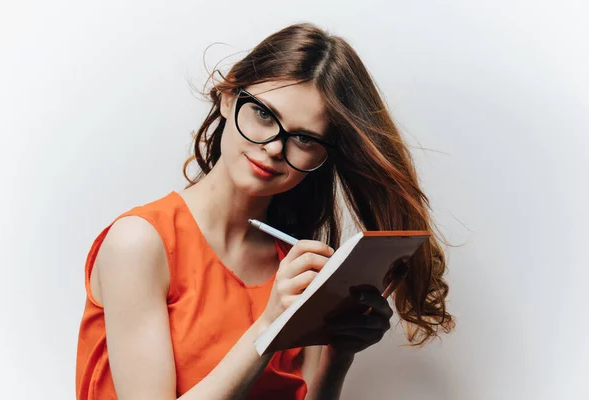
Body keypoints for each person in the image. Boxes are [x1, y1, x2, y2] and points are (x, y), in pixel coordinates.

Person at [75, 22, 454, 400]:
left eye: (304, 138)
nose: (274, 147)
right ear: (228, 97)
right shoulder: (139, 243)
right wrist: (269, 325)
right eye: (264, 115)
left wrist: (340, 355)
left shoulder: (294, 267)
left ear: (322, 156)